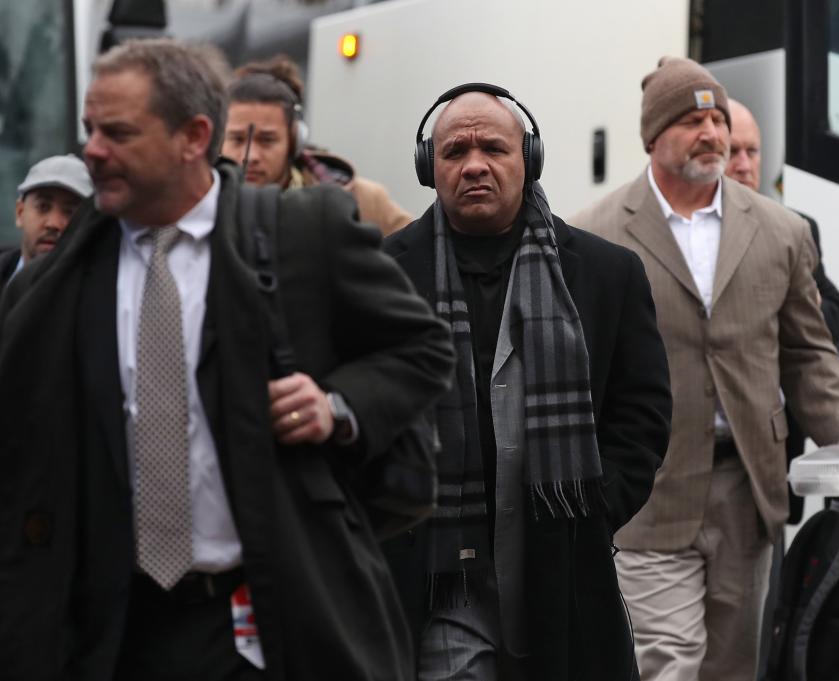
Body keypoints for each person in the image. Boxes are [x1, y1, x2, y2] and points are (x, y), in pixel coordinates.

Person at [0, 38, 455, 681]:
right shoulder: (56, 281)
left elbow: (423, 347)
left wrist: (336, 404)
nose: (92, 151)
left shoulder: (302, 235)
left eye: (118, 133)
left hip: (260, 623)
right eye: (90, 130)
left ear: (194, 137)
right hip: (109, 634)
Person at [570, 57, 839, 681]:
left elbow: (807, 350)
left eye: (716, 118)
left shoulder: (782, 232)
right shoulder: (593, 234)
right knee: (667, 662)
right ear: (653, 137)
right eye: (690, 120)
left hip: (749, 488)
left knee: (735, 665)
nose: (711, 132)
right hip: (648, 488)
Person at [382, 83, 673, 681]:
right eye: (454, 152)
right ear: (428, 168)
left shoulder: (605, 272)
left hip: (560, 562)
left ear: (528, 159)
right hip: (437, 567)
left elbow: (641, 413)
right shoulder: (383, 273)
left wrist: (591, 512)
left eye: (493, 148)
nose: (474, 166)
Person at [725, 98, 839, 523]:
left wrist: (801, 305)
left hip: (773, 454)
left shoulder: (794, 228)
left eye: (753, 152)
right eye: (732, 152)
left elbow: (835, 309)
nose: (744, 165)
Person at [220, 55, 413, 235]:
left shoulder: (364, 201)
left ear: (295, 141)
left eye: (267, 140)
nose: (251, 156)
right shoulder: (197, 206)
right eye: (237, 139)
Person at [0, 154, 92, 286]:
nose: (53, 224)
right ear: (20, 213)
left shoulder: (102, 293)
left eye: (70, 212)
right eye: (43, 207)